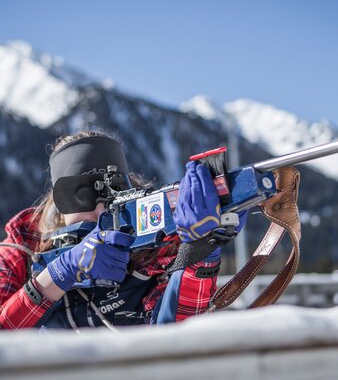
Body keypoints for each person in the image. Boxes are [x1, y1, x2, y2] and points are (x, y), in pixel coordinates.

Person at [0, 130, 244, 330]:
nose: (100, 213)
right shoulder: (21, 248)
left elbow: (176, 332)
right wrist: (58, 274)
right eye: (81, 198)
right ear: (59, 204)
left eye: (111, 199)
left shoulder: (156, 243)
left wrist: (200, 250)